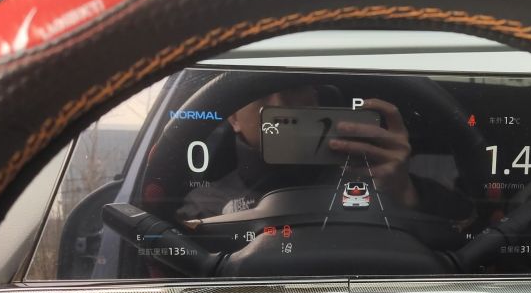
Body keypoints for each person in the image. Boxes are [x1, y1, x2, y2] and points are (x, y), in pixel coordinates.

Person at [176, 86, 472, 221]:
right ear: (233, 119)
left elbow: (467, 222)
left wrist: (408, 193)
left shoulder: (378, 174)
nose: (279, 104)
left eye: (294, 87)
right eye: (258, 92)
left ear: (315, 102)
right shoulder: (205, 205)